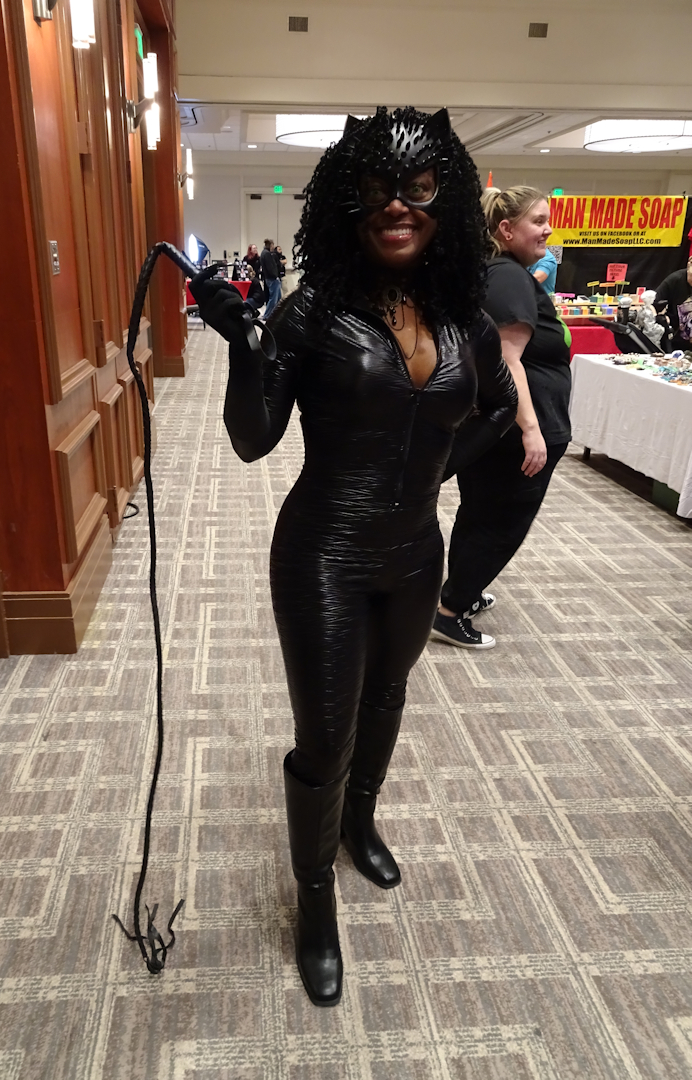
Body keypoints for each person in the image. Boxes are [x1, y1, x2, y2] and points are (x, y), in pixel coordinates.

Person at [191, 107, 517, 1008]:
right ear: (350, 199)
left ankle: (358, 825)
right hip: (323, 553)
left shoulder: (463, 317)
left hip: (415, 551)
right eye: (379, 189)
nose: (398, 206)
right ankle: (313, 901)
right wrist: (243, 347)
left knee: (387, 698)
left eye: (419, 189)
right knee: (325, 735)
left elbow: (496, 405)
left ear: (446, 202)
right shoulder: (312, 312)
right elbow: (253, 440)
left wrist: (438, 470)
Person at [432, 186, 571, 650]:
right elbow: (508, 360)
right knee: (502, 522)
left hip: (498, 426)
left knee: (481, 513)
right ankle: (450, 612)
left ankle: (460, 593)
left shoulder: (495, 271)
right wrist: (531, 429)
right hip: (518, 429)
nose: (548, 230)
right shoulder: (509, 276)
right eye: (538, 221)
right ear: (506, 229)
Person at [655, 255, 692, 351]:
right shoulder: (675, 279)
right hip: (676, 344)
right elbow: (653, 304)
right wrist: (661, 318)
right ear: (688, 266)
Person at [261, 238, 282, 318]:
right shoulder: (267, 254)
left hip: (269, 278)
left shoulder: (263, 253)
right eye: (273, 245)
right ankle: (267, 315)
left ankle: (277, 314)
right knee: (273, 299)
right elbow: (270, 268)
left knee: (278, 298)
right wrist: (275, 276)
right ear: (270, 245)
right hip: (272, 279)